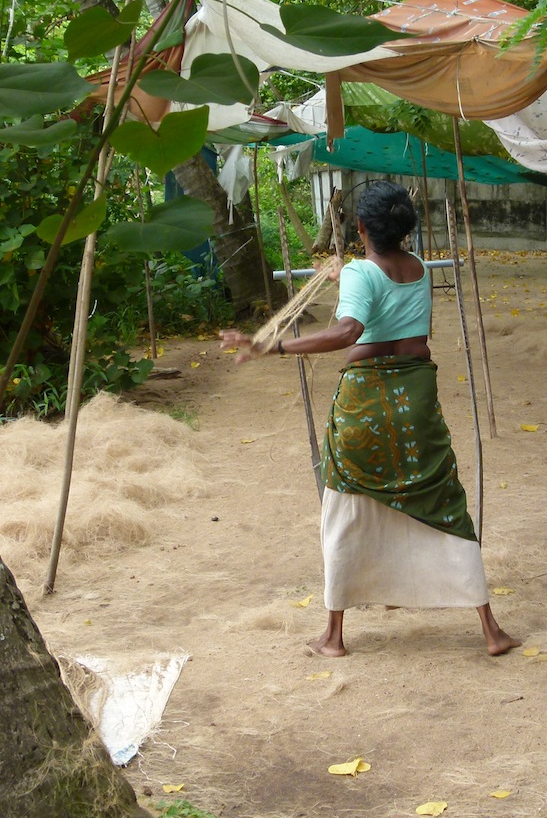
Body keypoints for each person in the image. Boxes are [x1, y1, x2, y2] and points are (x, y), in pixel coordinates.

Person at [220, 180, 519, 658]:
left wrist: (272, 346)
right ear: (406, 227)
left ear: (359, 227)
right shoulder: (418, 268)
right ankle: (490, 630)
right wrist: (345, 275)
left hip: (366, 404)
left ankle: (334, 636)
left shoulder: (363, 272)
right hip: (416, 398)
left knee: (344, 505)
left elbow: (348, 330)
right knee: (442, 497)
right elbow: (381, 291)